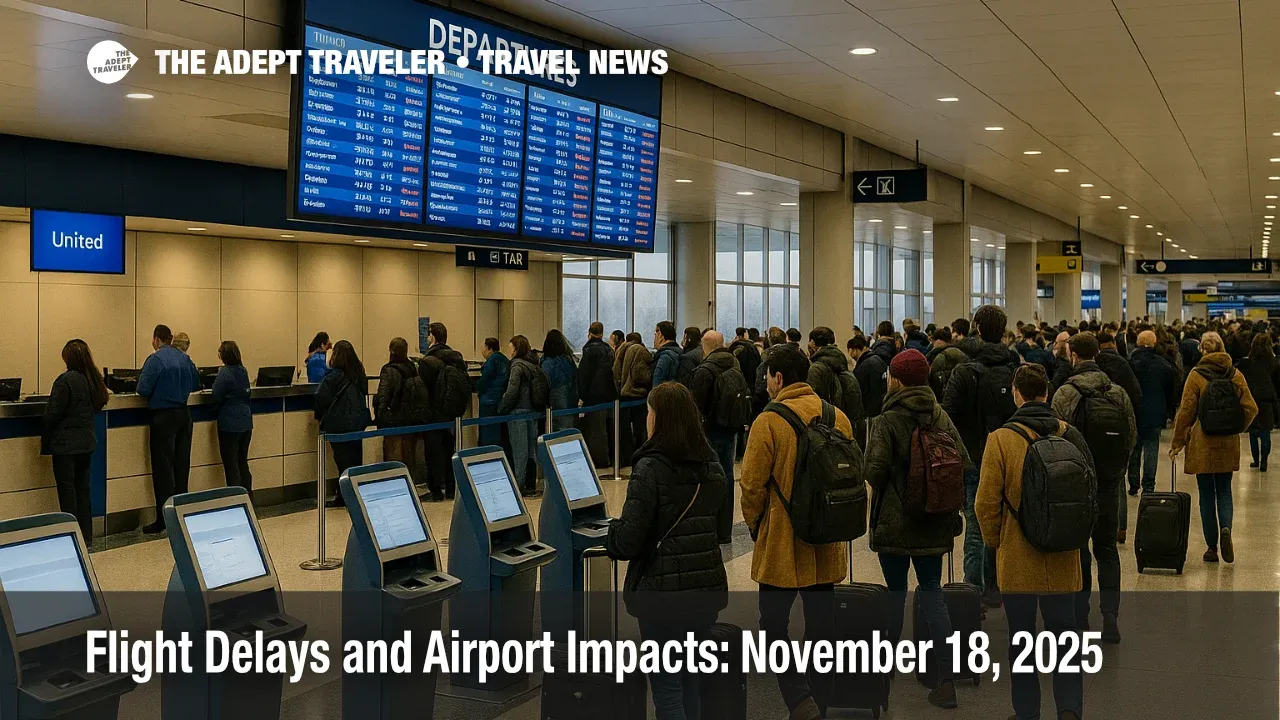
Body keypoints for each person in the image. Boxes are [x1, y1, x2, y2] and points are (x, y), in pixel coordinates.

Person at [741, 343, 853, 720]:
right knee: (822, 624)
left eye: (767, 375)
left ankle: (798, 698)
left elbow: (752, 486)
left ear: (778, 377)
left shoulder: (768, 422)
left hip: (784, 541)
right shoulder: (837, 416)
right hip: (826, 534)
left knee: (772, 624)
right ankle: (818, 699)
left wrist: (758, 526)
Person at [606, 382, 728, 720]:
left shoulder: (650, 468)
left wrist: (610, 535)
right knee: (690, 681)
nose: (647, 417)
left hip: (663, 597)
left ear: (660, 418)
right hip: (705, 590)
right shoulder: (712, 467)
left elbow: (630, 539)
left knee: (667, 689)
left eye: (649, 410)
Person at [975, 364, 1089, 720]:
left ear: (1016, 393)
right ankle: (1069, 709)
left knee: (1021, 637)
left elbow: (985, 503)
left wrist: (997, 543)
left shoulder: (1000, 439)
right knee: (1064, 635)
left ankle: (1027, 712)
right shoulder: (1071, 435)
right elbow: (1091, 493)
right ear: (1047, 393)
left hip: (1018, 554)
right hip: (1063, 554)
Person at [863, 349, 967, 710]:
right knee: (932, 592)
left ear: (895, 379)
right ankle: (946, 677)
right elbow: (963, 461)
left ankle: (885, 673)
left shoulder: (887, 419)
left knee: (894, 594)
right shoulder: (940, 415)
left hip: (895, 521)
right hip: (934, 519)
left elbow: (873, 471)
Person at [1051, 333, 1135, 643]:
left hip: (1076, 483)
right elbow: (1131, 436)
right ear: (1097, 354)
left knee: (1080, 549)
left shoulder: (1064, 394)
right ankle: (1110, 616)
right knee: (1107, 549)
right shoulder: (1117, 393)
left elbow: (1055, 441)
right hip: (1109, 482)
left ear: (1072, 355)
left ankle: (1080, 614)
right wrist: (1116, 471)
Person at [941, 305, 1020, 606]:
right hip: (1011, 457)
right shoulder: (1015, 369)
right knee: (1004, 524)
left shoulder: (964, 372)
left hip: (974, 459)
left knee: (976, 526)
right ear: (1003, 331)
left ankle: (972, 591)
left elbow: (947, 417)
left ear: (976, 329)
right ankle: (997, 585)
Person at [1171, 332, 1257, 564]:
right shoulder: (1235, 374)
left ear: (1202, 351)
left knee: (1207, 494)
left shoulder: (1196, 375)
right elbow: (1250, 407)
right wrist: (1237, 426)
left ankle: (1211, 547)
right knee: (1225, 491)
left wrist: (1178, 442)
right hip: (1228, 441)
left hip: (1203, 441)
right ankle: (1226, 528)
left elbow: (1186, 411)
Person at [136, 324, 201, 534]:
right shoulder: (185, 358)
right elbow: (196, 384)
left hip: (163, 416)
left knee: (163, 469)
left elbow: (143, 389)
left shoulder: (155, 359)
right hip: (184, 415)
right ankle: (182, 515)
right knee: (182, 467)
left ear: (156, 339)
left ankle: (163, 519)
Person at [42, 339, 108, 542]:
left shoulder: (65, 380)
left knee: (67, 490)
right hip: (86, 443)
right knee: (82, 490)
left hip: (65, 445)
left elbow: (53, 413)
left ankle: (69, 535)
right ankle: (85, 536)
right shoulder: (93, 380)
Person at [690, 330, 743, 544]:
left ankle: (709, 528)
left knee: (708, 478)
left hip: (709, 431)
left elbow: (697, 406)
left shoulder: (704, 370)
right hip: (729, 428)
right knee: (727, 476)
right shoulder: (733, 364)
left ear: (705, 346)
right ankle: (725, 529)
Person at [314, 340, 370, 508]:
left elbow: (320, 398)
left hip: (338, 424)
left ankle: (344, 495)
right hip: (358, 423)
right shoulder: (359, 374)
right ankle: (354, 493)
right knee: (355, 458)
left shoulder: (333, 376)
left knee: (342, 461)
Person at [374, 337, 429, 487]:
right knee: (409, 453)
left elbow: (383, 395)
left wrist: (379, 416)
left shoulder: (389, 370)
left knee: (393, 453)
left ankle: (394, 485)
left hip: (393, 419)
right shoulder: (413, 368)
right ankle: (409, 483)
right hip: (411, 419)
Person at [1127, 330, 1176, 495]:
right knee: (1151, 449)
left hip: (1134, 411)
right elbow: (1170, 392)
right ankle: (1149, 486)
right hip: (1155, 413)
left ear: (1138, 344)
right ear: (1154, 344)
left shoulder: (1130, 364)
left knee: (1134, 449)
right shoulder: (1164, 366)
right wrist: (1170, 413)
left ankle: (1133, 484)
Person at [423, 322, 463, 500]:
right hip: (452, 413)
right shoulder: (455, 358)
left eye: (428, 335)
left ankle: (436, 490)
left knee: (433, 452)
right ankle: (452, 486)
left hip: (433, 413)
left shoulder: (429, 360)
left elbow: (425, 389)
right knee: (449, 450)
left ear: (432, 337)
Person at [807, 326, 865, 444]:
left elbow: (810, 404)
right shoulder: (841, 364)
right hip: (845, 428)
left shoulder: (816, 369)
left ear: (813, 343)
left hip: (824, 434)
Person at [501, 335, 542, 496]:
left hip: (518, 412)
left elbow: (512, 391)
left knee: (519, 451)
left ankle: (519, 485)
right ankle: (532, 483)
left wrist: (502, 407)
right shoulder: (533, 364)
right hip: (532, 411)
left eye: (510, 348)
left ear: (515, 349)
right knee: (531, 450)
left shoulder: (516, 366)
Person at [211, 340, 252, 492]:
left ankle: (235, 497)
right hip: (246, 422)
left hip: (229, 424)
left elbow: (216, 395)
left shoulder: (225, 373)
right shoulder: (243, 371)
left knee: (231, 463)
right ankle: (247, 495)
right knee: (242, 462)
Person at [1236, 333, 1280, 471]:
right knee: (1266, 430)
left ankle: (1255, 460)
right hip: (1268, 400)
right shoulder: (1275, 363)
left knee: (1253, 431)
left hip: (1251, 399)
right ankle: (1264, 461)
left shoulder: (1247, 363)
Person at [578, 323, 617, 468]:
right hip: (607, 395)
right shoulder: (608, 349)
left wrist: (582, 393)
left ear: (589, 332)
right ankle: (607, 458)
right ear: (602, 333)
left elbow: (584, 374)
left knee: (594, 429)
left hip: (592, 395)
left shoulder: (588, 350)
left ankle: (597, 460)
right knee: (604, 428)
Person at [614, 332, 653, 464]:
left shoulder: (620, 350)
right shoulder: (641, 351)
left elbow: (615, 370)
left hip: (622, 395)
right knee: (640, 428)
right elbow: (641, 374)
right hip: (636, 395)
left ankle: (626, 457)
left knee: (624, 429)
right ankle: (641, 456)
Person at [541, 329, 579, 432]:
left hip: (555, 405)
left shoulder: (547, 363)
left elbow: (544, 385)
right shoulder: (569, 360)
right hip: (571, 403)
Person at [476, 337, 510, 448]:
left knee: (488, 434)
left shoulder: (492, 361)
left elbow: (484, 380)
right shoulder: (505, 360)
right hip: (501, 401)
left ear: (489, 349)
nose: (482, 351)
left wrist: (477, 388)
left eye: (484, 348)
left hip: (489, 401)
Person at [850, 334, 889, 422]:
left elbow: (859, 391)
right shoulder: (878, 359)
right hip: (881, 408)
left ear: (854, 350)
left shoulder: (863, 366)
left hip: (869, 412)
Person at [652, 321, 683, 387]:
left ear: (660, 335)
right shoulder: (680, 353)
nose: (654, 338)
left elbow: (656, 386)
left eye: (655, 334)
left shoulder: (664, 357)